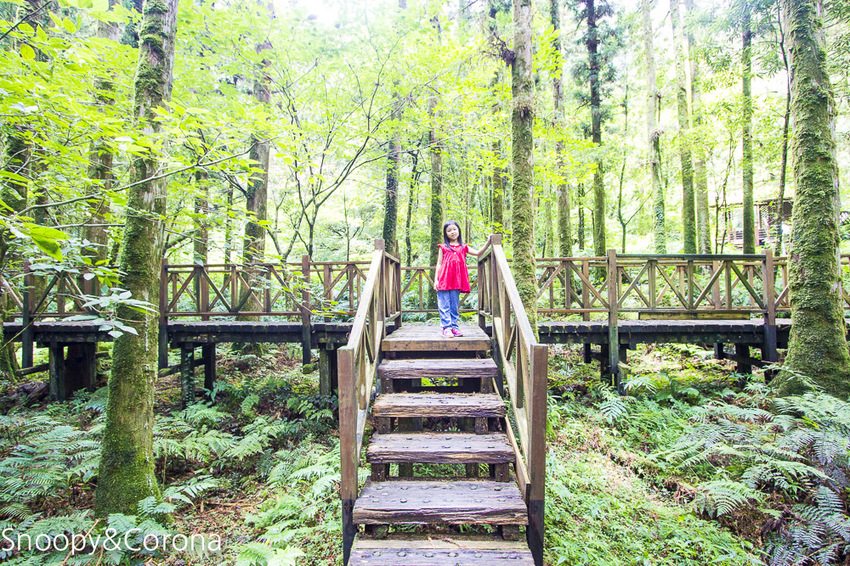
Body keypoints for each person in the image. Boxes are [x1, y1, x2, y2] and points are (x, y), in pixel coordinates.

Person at [435, 221, 485, 338]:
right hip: (443, 279)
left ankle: (454, 326)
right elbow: (439, 264)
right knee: (444, 304)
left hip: (456, 280)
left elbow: (477, 253)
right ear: (445, 233)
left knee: (454, 304)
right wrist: (436, 280)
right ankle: (446, 327)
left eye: (454, 229)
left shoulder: (463, 247)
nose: (452, 232)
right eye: (449, 230)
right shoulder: (443, 247)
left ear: (458, 230)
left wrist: (488, 243)